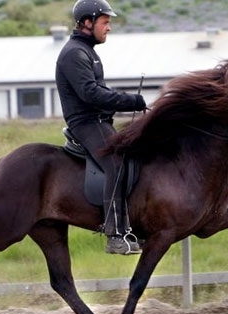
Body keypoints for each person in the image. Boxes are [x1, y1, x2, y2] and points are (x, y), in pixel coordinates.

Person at [55, 0, 147, 255]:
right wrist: (130, 100)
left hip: (99, 121)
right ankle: (115, 234)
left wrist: (125, 100)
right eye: (105, 22)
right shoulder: (75, 53)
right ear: (88, 22)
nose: (108, 28)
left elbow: (100, 92)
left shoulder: (87, 51)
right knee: (116, 163)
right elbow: (90, 94)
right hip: (86, 123)